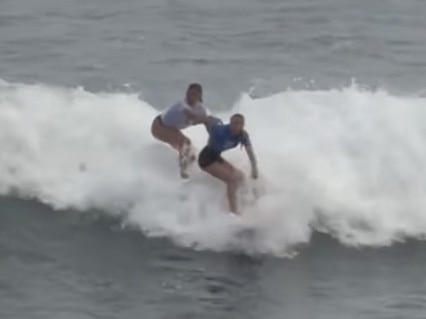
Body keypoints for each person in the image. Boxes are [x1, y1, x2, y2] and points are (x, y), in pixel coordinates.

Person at [198, 113, 258, 214]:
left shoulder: (243, 136)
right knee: (231, 180)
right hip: (205, 159)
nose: (235, 126)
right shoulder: (220, 131)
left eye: (239, 124)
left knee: (241, 177)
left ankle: (246, 202)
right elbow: (209, 122)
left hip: (216, 157)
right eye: (233, 123)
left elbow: (251, 154)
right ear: (230, 123)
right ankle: (233, 212)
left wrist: (254, 168)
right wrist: (199, 118)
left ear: (243, 125)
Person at [151, 83, 208, 178]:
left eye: (194, 95)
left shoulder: (200, 109)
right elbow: (189, 113)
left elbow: (205, 119)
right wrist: (201, 119)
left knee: (192, 155)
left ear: (200, 96)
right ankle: (183, 171)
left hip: (172, 129)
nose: (191, 97)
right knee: (185, 144)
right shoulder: (181, 105)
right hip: (159, 126)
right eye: (189, 94)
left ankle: (181, 171)